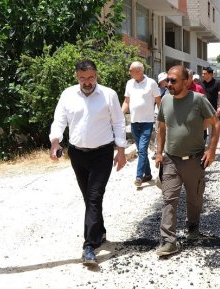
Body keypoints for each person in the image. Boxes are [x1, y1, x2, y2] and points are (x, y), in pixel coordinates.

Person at [49, 59, 127, 266]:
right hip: (78, 154)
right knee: (89, 197)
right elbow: (59, 120)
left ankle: (89, 246)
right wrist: (55, 142)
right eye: (83, 78)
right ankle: (99, 232)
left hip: (102, 154)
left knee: (94, 197)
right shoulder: (68, 94)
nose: (87, 82)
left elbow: (118, 122)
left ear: (96, 76)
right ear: (77, 77)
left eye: (90, 77)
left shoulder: (109, 95)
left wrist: (121, 151)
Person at [154, 65, 219, 256]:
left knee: (195, 199)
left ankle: (193, 229)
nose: (169, 84)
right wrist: (159, 153)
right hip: (171, 160)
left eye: (173, 81)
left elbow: (216, 123)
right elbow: (162, 127)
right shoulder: (165, 100)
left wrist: (212, 150)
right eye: (167, 80)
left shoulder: (198, 100)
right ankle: (168, 241)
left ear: (186, 82)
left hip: (195, 160)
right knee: (169, 200)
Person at [122, 62, 161, 187]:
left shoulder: (151, 83)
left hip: (147, 122)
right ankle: (148, 174)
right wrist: (119, 115)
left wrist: (161, 118)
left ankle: (139, 177)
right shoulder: (129, 83)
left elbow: (158, 101)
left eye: (131, 70)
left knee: (142, 150)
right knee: (141, 150)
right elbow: (126, 102)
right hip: (134, 122)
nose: (129, 72)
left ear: (139, 71)